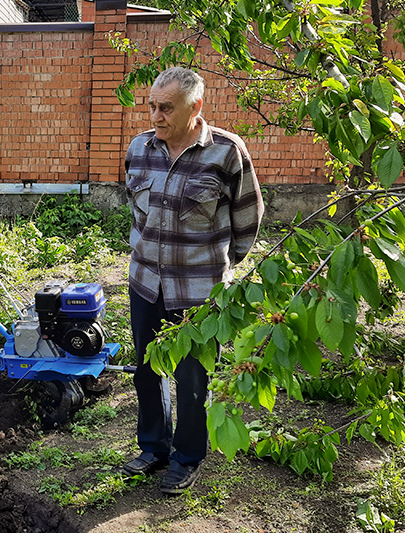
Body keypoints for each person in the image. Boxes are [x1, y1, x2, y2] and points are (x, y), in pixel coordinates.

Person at [120, 66, 263, 494]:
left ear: (195, 107)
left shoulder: (227, 152)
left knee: (192, 378)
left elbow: (247, 218)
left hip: (199, 290)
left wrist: (221, 268)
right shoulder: (140, 148)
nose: (156, 115)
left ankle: (186, 456)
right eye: (151, 106)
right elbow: (137, 213)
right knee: (148, 370)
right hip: (146, 281)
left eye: (166, 108)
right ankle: (154, 447)